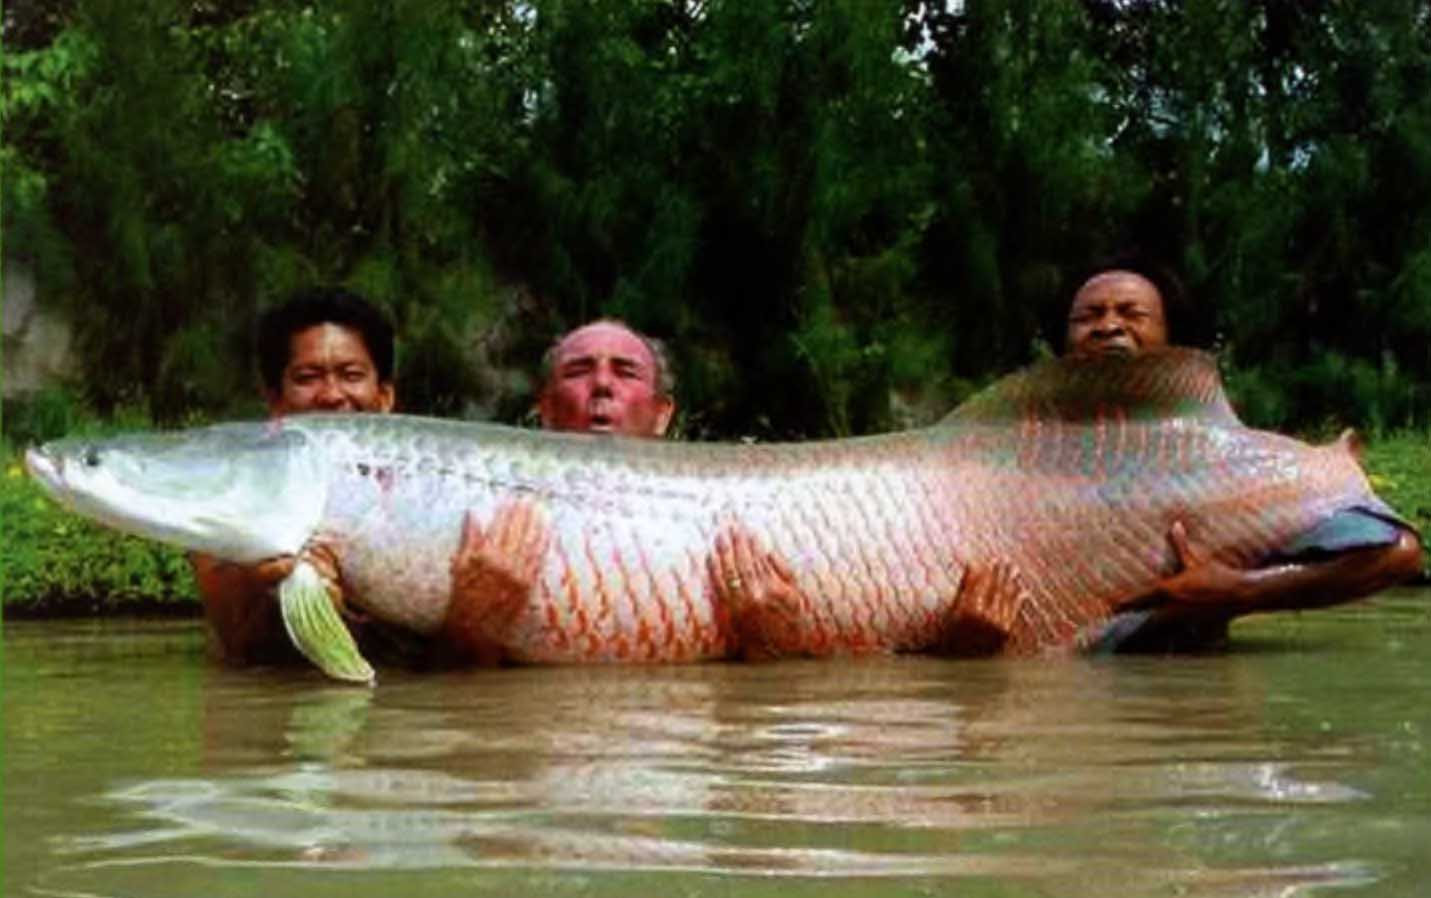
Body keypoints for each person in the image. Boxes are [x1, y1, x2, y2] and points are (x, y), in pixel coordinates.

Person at [1061, 256, 1423, 651]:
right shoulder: (1003, 463)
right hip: (1049, 697)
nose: (1109, 326)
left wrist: (1243, 590)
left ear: (1169, 336)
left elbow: (1397, 555)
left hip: (1189, 695)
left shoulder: (1231, 462)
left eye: (1132, 313)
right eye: (1089, 316)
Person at [441, 319, 677, 661]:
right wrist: (470, 626)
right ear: (547, 410)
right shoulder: (491, 501)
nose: (602, 384)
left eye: (625, 372)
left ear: (661, 415)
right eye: (579, 371)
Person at [193, 287, 395, 664]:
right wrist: (264, 584)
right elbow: (239, 643)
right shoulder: (228, 503)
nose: (332, 395)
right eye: (307, 377)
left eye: (351, 375)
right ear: (275, 401)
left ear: (385, 397)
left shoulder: (426, 491)